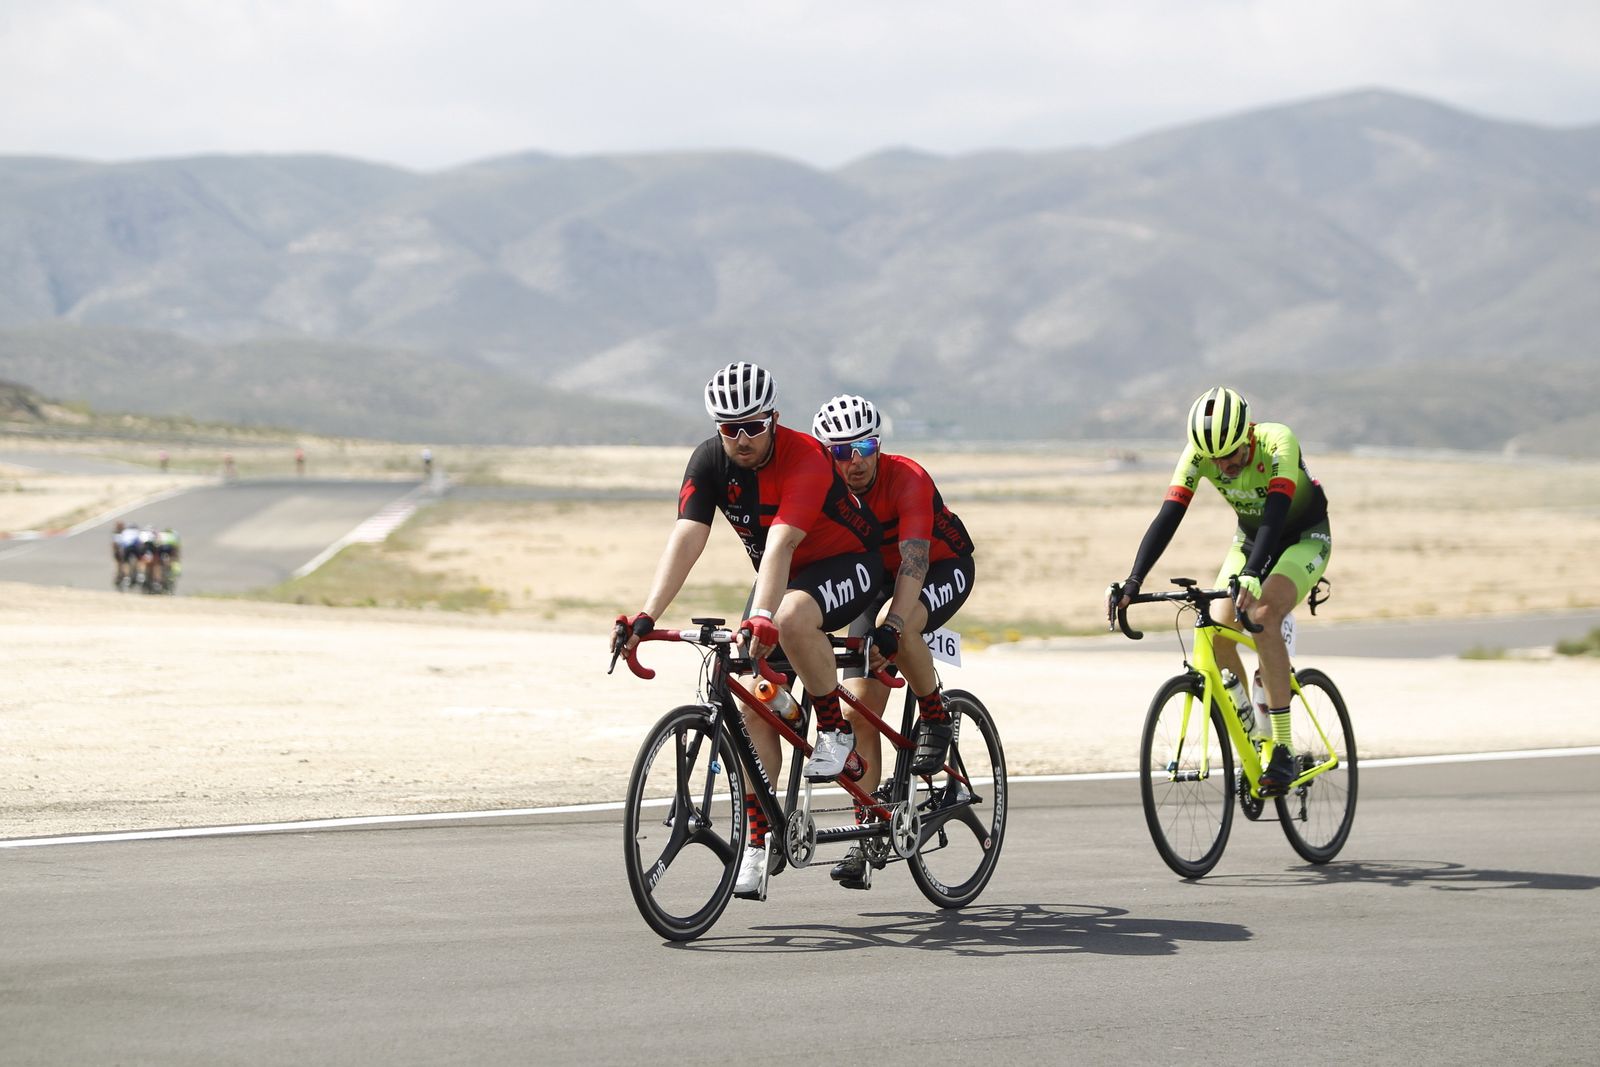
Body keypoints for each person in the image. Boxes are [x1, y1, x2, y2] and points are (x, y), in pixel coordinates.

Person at [613, 362, 884, 897]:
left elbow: (782, 543)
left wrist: (762, 616)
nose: (741, 439)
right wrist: (647, 617)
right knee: (754, 700)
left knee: (784, 619)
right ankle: (760, 840)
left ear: (774, 420)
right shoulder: (709, 460)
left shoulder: (804, 456)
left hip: (847, 563)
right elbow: (687, 538)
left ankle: (831, 726)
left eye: (753, 427)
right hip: (778, 577)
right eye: (729, 428)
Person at [1108, 386, 1330, 796]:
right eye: (1216, 459)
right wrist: (1133, 581)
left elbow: (1277, 513)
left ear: (1247, 433)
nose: (1225, 465)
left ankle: (1281, 746)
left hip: (1302, 537)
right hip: (1249, 539)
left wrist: (1253, 573)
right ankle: (1252, 737)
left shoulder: (1277, 440)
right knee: (1211, 629)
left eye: (1232, 455)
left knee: (1263, 616)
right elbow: (1168, 516)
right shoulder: (1199, 454)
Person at [811, 394, 977, 889]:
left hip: (940, 566)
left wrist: (895, 624)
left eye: (863, 446)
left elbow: (914, 562)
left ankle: (934, 711)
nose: (854, 461)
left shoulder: (908, 478)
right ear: (827, 455)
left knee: (897, 625)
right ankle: (867, 832)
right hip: (873, 579)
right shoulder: (821, 487)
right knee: (862, 705)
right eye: (841, 452)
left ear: (878, 444)